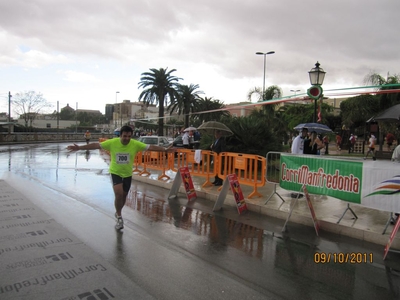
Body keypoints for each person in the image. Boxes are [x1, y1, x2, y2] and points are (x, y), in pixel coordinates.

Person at [67, 125, 174, 230]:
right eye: (124, 136)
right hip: (115, 172)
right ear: (120, 135)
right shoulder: (112, 142)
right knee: (118, 194)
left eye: (129, 136)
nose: (126, 138)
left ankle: (118, 211)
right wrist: (79, 148)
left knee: (123, 196)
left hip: (127, 174)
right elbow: (96, 145)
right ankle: (119, 216)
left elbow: (150, 147)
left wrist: (164, 150)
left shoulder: (135, 144)